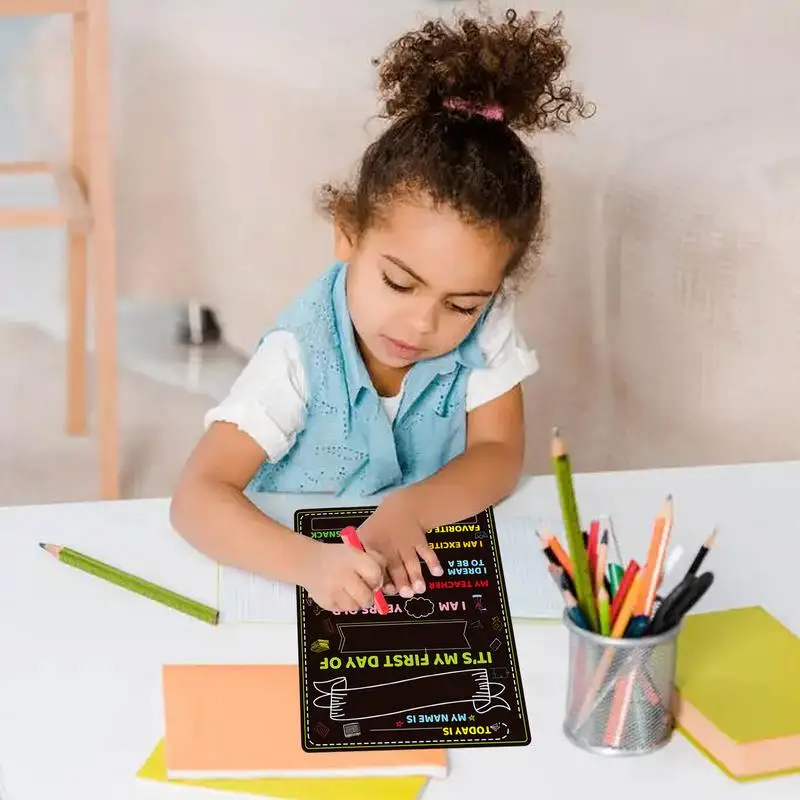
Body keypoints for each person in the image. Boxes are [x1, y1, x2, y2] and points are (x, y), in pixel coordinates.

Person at [170, 8, 591, 614]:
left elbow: (499, 455)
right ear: (348, 235)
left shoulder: (489, 324)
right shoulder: (299, 352)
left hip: (414, 570)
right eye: (399, 283)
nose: (423, 323)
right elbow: (196, 499)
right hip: (292, 572)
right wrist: (309, 563)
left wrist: (410, 508)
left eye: (462, 304)